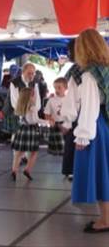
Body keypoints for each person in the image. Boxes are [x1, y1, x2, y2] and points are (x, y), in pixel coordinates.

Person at [72, 29, 109, 233]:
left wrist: (83, 136)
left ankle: (105, 220)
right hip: (106, 123)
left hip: (96, 126)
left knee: (101, 173)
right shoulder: (107, 69)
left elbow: (89, 108)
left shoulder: (89, 75)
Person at [10, 62, 41, 177]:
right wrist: (26, 109)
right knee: (20, 148)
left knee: (32, 149)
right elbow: (14, 102)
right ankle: (15, 170)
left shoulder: (35, 83)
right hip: (20, 116)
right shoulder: (15, 83)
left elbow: (38, 102)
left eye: (33, 73)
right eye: (29, 73)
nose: (32, 75)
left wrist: (34, 108)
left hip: (32, 117)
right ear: (23, 72)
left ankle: (26, 169)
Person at [60, 40, 83, 180]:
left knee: (74, 146)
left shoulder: (76, 70)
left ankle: (73, 172)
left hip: (80, 118)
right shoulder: (99, 67)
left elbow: (73, 99)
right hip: (97, 118)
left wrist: (67, 122)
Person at [44, 77, 67, 155]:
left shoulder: (69, 100)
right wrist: (51, 120)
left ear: (65, 87)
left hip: (67, 126)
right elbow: (46, 114)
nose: (57, 90)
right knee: (58, 152)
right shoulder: (51, 100)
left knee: (68, 149)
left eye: (59, 87)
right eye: (55, 88)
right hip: (56, 125)